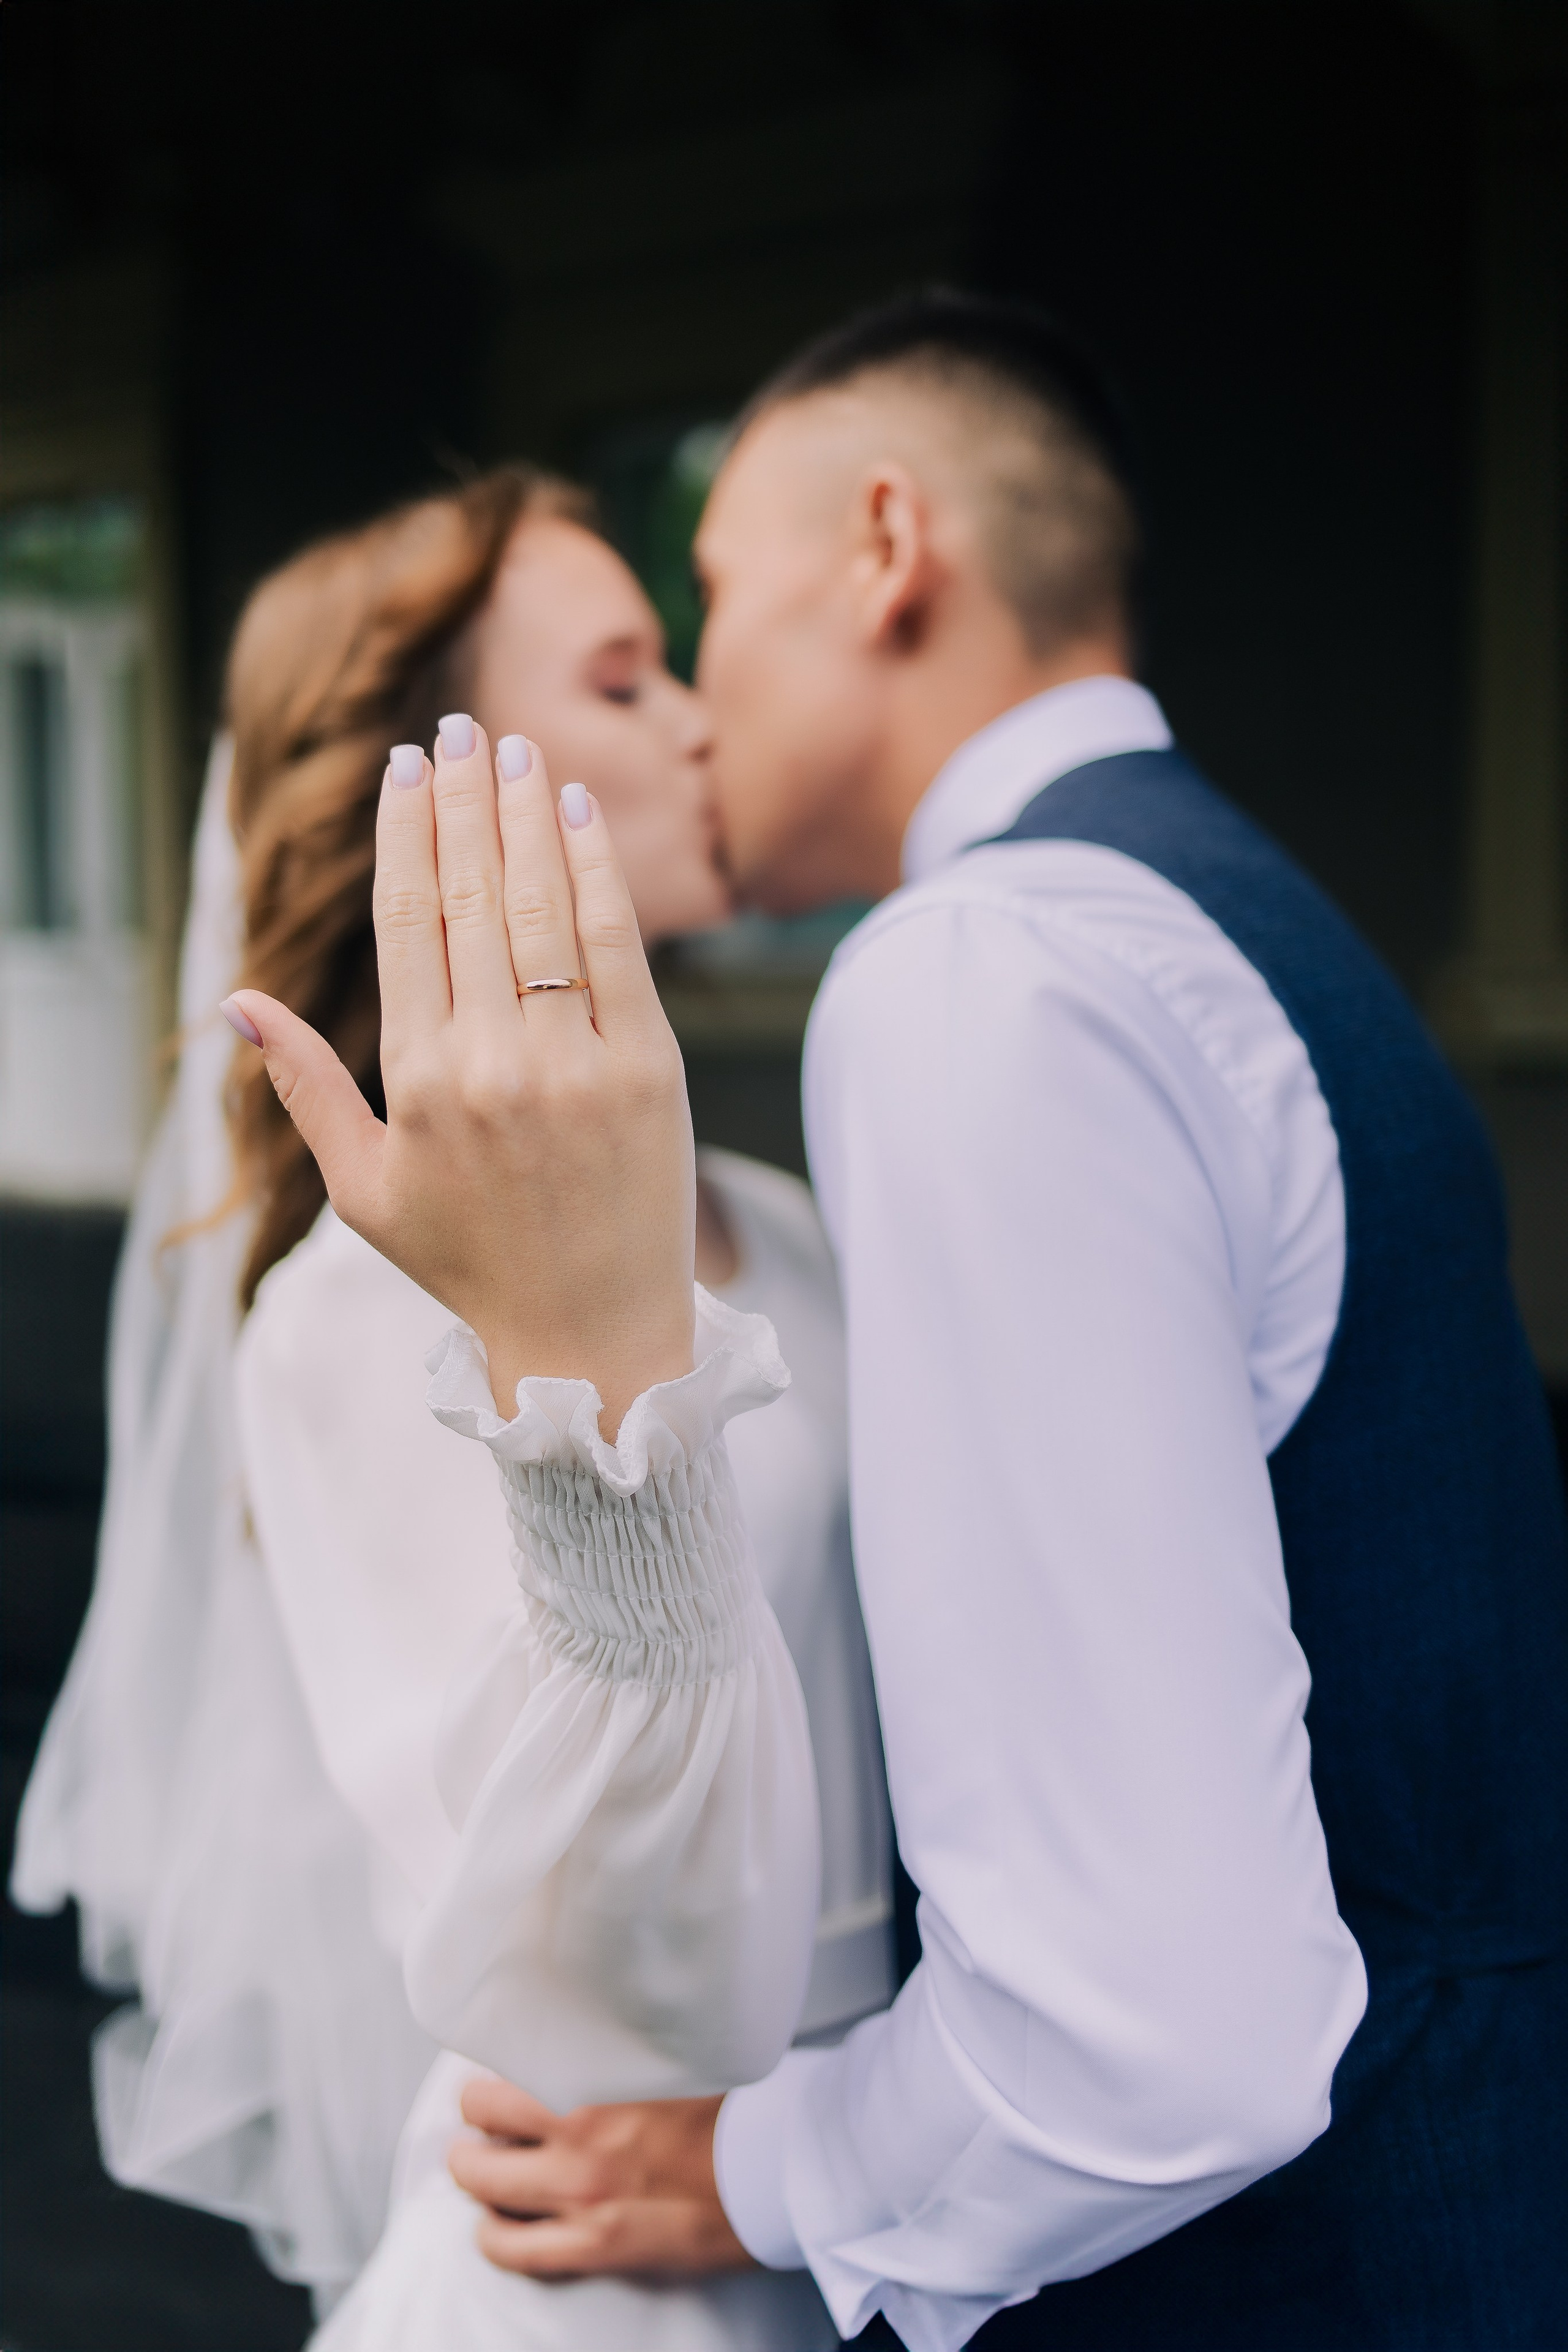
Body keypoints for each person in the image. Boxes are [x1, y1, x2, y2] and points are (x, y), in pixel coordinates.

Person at [238, 290, 1567, 2351]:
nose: (693, 707)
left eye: (708, 600)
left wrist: (763, 2172)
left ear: (887, 548)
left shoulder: (984, 974)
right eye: (626, 667)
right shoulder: (1250, 928)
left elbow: (1157, 2019)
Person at [14, 468, 889, 2343]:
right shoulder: (350, 1316)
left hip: (859, 2214)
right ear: (444, 792)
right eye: (625, 676)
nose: (702, 718)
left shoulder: (800, 1231)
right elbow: (598, 1982)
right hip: (596, 2268)